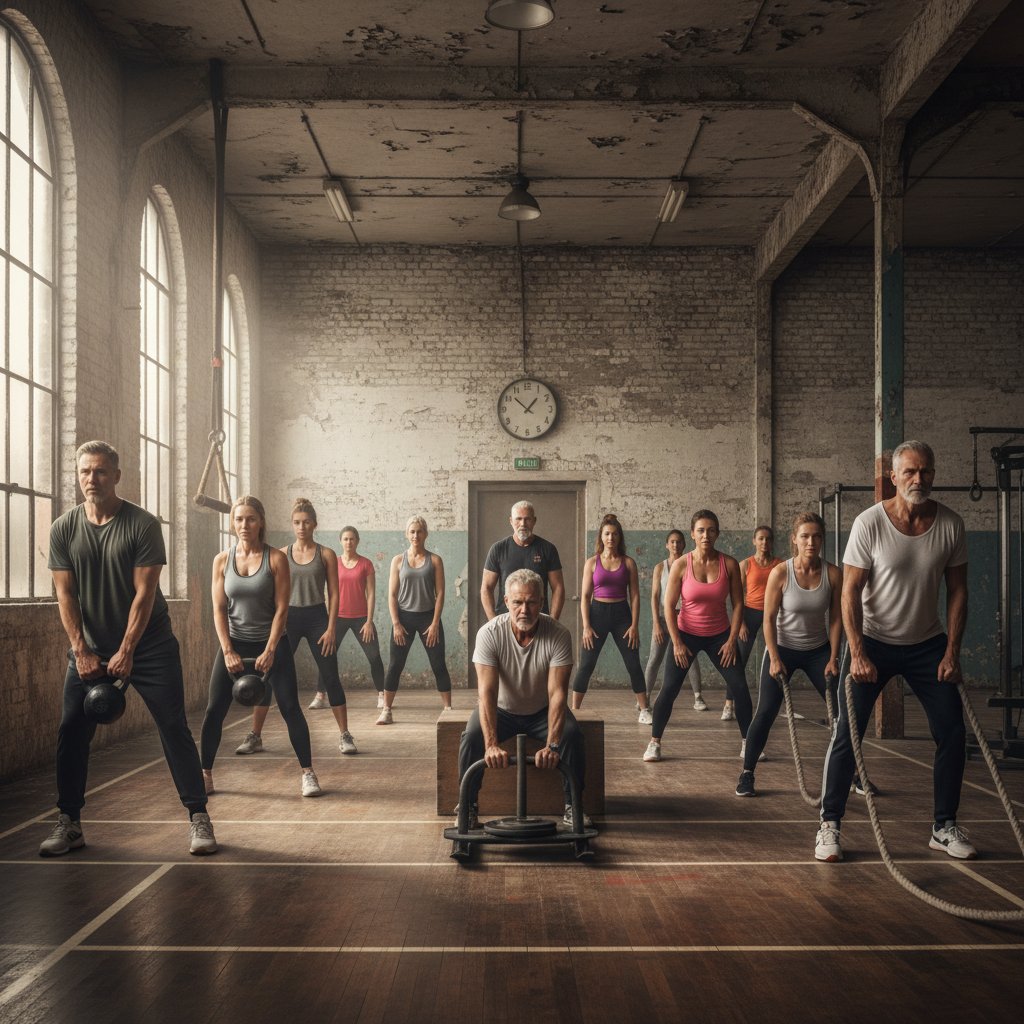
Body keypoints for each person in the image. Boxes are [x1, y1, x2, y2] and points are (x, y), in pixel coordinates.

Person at [42, 440, 216, 856]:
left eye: (100, 471)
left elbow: (145, 593)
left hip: (149, 645)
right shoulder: (63, 528)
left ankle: (199, 816)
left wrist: (127, 649)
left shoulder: (142, 524)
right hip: (90, 647)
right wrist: (81, 651)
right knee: (71, 729)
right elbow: (65, 596)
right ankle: (69, 822)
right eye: (85, 471)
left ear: (116, 476)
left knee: (173, 726)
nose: (92, 479)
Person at [814, 441, 974, 862]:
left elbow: (958, 592)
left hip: (928, 645)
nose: (918, 479)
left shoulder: (951, 524)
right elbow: (850, 592)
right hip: (873, 642)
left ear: (933, 474)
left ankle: (943, 826)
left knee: (953, 733)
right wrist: (857, 652)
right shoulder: (869, 523)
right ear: (894, 478)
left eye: (925, 471)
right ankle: (829, 824)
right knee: (848, 734)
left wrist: (952, 652)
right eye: (910, 472)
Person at [201, 496, 321, 798]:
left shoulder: (276, 559)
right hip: (234, 644)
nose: (244, 525)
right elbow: (218, 609)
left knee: (290, 707)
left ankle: (308, 773)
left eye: (251, 519)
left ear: (261, 522)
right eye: (239, 519)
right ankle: (204, 775)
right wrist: (228, 650)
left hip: (272, 643)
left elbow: (282, 609)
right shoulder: (221, 560)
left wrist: (270, 650)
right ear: (233, 523)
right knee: (214, 709)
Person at [458, 569, 586, 826]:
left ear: (542, 602)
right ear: (506, 601)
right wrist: (491, 744)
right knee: (471, 737)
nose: (524, 610)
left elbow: (558, 694)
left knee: (572, 736)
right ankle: (468, 806)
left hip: (541, 711)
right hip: (501, 710)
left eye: (531, 602)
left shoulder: (559, 634)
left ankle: (574, 806)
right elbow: (486, 693)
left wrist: (553, 745)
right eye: (517, 602)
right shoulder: (489, 633)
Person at [237, 498, 357, 756]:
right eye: (297, 523)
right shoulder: (281, 554)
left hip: (317, 619)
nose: (302, 527)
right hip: (287, 619)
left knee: (330, 676)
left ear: (314, 524)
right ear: (292, 525)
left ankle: (345, 735)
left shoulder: (326, 554)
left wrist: (331, 628)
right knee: (266, 675)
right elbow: (271, 595)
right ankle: (255, 735)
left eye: (306, 522)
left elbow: (334, 594)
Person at [735, 513, 842, 797]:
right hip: (782, 649)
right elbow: (768, 619)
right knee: (766, 712)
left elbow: (836, 620)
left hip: (818, 651)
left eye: (816, 536)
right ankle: (747, 773)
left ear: (822, 539)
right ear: (794, 539)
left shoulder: (833, 574)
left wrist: (833, 657)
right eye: (804, 536)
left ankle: (852, 774)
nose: (811, 542)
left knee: (841, 714)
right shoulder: (781, 573)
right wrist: (774, 657)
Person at [644, 509, 750, 763]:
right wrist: (677, 643)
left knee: (740, 688)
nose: (706, 535)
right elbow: (668, 606)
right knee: (669, 689)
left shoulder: (729, 564)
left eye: (711, 530)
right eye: (701, 530)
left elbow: (738, 604)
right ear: (692, 534)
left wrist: (731, 640)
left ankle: (749, 743)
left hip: (720, 637)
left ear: (717, 534)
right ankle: (654, 743)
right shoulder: (682, 564)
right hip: (686, 635)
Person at [570, 514, 652, 722]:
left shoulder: (629, 563)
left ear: (619, 537)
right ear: (601, 536)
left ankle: (644, 710)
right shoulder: (591, 563)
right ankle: (574, 711)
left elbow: (635, 596)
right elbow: (585, 597)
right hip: (597, 614)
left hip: (622, 615)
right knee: (587, 664)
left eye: (614, 534)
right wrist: (586, 626)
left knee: (633, 663)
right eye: (607, 534)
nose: (610, 538)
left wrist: (634, 625)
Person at [379, 515, 452, 723]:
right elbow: (392, 595)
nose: (415, 535)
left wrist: (435, 623)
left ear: (425, 534)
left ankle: (448, 709)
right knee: (395, 665)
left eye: (419, 531)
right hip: (404, 618)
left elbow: (440, 593)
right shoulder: (397, 560)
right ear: (406, 534)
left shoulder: (435, 560)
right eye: (412, 531)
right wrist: (396, 623)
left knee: (438, 664)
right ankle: (386, 710)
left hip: (429, 618)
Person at [307, 525, 386, 710]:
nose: (349, 542)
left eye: (352, 539)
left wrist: (369, 621)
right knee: (326, 655)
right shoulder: (333, 562)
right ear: (340, 541)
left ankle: (382, 695)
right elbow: (328, 592)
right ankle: (320, 695)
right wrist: (329, 621)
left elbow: (371, 594)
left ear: (357, 541)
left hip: (362, 619)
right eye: (345, 539)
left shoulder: (366, 564)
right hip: (337, 618)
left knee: (374, 656)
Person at [721, 526, 782, 722]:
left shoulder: (780, 565)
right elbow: (736, 597)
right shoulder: (745, 564)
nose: (765, 542)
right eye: (761, 539)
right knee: (738, 661)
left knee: (777, 657)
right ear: (754, 541)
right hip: (749, 614)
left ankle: (773, 704)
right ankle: (729, 704)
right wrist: (740, 624)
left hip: (773, 614)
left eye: (768, 539)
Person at [646, 529, 706, 711]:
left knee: (690, 658)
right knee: (654, 658)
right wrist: (656, 624)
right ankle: (644, 698)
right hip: (664, 618)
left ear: (684, 544)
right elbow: (654, 597)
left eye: (679, 541)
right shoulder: (660, 568)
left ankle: (698, 698)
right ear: (667, 545)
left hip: (685, 618)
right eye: (672, 541)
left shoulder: (690, 565)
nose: (675, 545)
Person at [481, 500, 565, 620]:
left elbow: (558, 587)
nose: (523, 524)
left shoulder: (548, 549)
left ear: (534, 521)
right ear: (511, 521)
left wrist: (552, 621)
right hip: (506, 619)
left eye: (527, 519)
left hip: (538, 619)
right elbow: (486, 588)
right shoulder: (498, 549)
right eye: (518, 519)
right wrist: (493, 622)